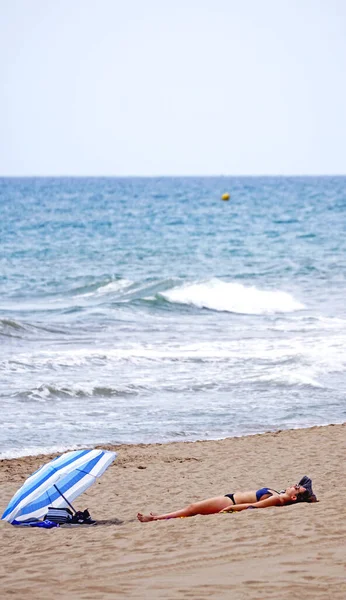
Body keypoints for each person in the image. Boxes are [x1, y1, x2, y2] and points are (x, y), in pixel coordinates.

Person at [137, 475, 317, 522]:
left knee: (192, 508)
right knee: (192, 509)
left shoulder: (277, 499)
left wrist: (230, 509)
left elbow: (253, 506)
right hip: (230, 499)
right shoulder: (279, 496)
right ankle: (158, 517)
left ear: (293, 497)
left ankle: (154, 519)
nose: (293, 484)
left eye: (296, 487)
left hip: (230, 502)